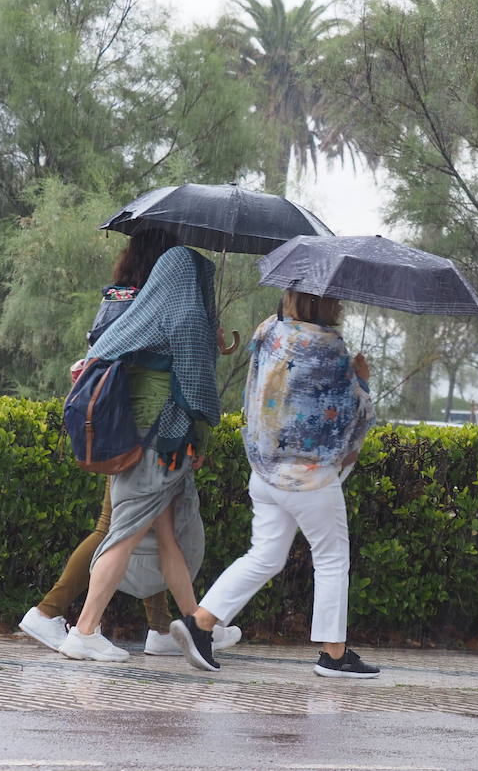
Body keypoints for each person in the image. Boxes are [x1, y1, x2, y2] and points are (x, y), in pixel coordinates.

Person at [18, 231, 240, 658]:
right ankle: (74, 626)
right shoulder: (172, 306)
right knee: (119, 533)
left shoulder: (128, 299)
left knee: (164, 536)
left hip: (129, 432)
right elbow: (191, 373)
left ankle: (190, 625)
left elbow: (97, 354)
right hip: (156, 437)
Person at [172, 289, 378, 678]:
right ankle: (334, 655)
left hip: (265, 470)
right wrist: (362, 381)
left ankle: (200, 622)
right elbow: (349, 414)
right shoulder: (330, 347)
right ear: (327, 302)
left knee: (264, 556)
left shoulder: (269, 331)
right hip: (309, 477)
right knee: (332, 560)